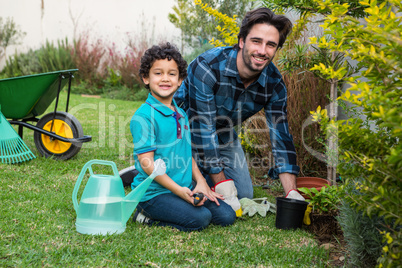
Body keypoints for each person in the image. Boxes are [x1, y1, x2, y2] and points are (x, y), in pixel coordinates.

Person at [174, 7, 305, 212]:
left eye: (271, 45)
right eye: (256, 41)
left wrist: (292, 193)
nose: (263, 51)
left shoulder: (275, 84)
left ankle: (199, 172)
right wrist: (221, 183)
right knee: (186, 185)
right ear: (242, 41)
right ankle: (165, 166)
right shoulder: (208, 66)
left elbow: (281, 137)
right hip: (182, 129)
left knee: (244, 193)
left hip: (224, 132)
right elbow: (203, 128)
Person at [130, 42, 236, 232]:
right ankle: (143, 215)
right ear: (146, 78)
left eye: (172, 74)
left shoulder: (180, 113)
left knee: (227, 216)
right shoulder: (143, 116)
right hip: (154, 195)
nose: (165, 79)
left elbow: (187, 153)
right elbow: (147, 163)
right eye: (158, 73)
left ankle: (185, 203)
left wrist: (202, 183)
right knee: (201, 219)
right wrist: (178, 191)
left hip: (185, 188)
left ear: (180, 80)